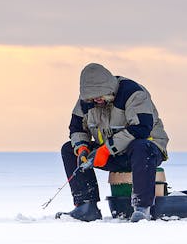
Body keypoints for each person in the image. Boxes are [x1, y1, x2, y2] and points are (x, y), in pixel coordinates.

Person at [60, 63, 169, 222]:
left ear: (110, 87)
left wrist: (106, 150)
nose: (96, 99)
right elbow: (76, 128)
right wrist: (82, 148)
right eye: (92, 97)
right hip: (111, 153)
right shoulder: (85, 101)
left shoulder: (133, 93)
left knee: (141, 146)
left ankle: (142, 208)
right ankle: (86, 206)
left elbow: (141, 129)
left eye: (100, 95)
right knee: (69, 149)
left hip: (145, 151)